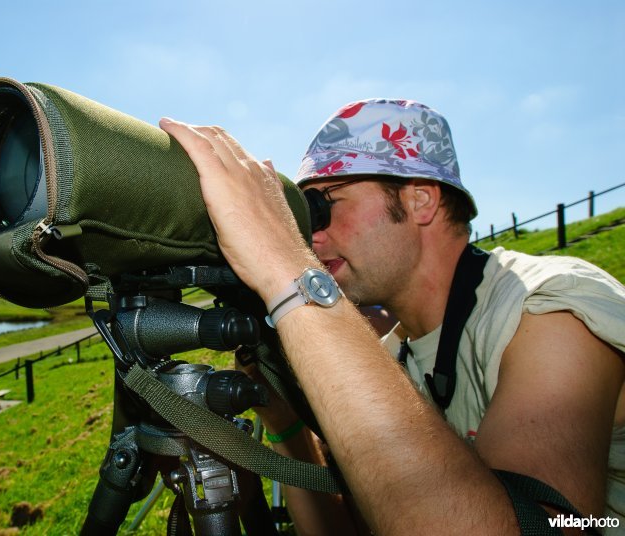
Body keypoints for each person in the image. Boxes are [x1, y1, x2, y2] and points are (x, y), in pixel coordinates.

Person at [158, 98, 625, 535]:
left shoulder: (549, 309)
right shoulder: (391, 357)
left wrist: (281, 262)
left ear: (421, 201)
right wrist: (286, 425)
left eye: (324, 205)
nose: (312, 239)